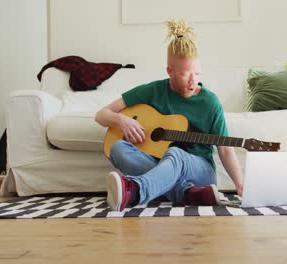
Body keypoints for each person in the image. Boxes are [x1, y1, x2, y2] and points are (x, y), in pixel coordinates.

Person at [95, 19, 243, 211]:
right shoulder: (153, 91)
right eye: (186, 74)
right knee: (117, 149)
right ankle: (186, 193)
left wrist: (240, 185)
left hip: (201, 170)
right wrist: (120, 120)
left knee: (175, 153)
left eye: (197, 74)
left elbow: (225, 149)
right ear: (170, 71)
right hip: (160, 163)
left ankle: (136, 191)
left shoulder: (210, 102)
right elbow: (101, 115)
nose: (193, 81)